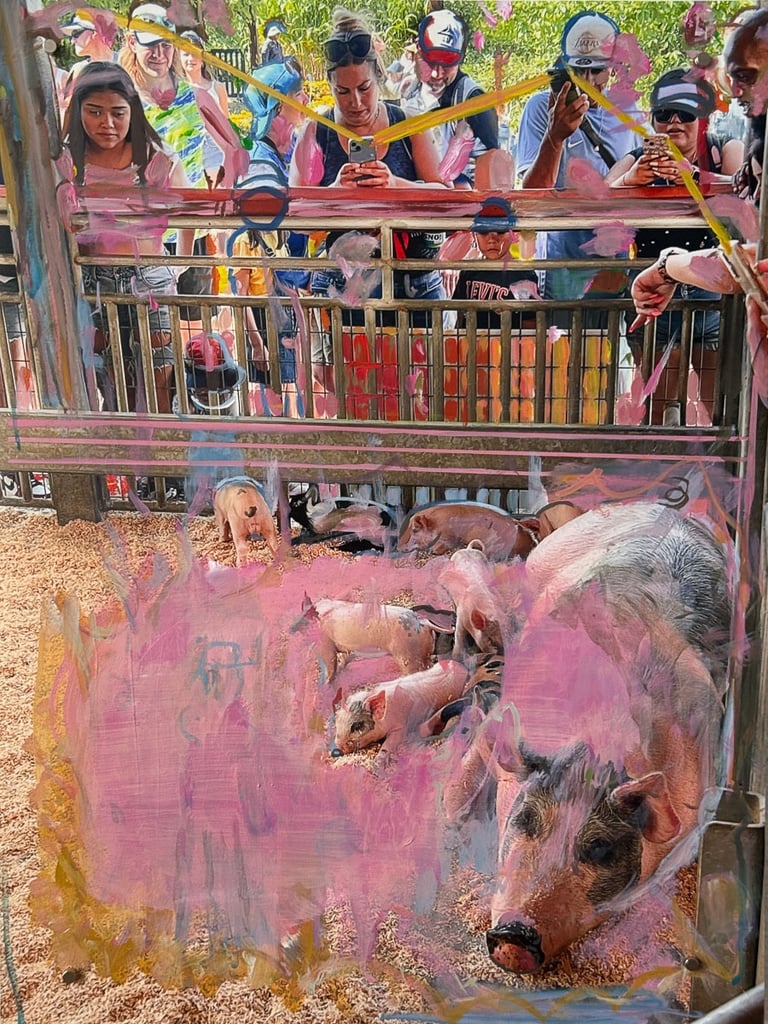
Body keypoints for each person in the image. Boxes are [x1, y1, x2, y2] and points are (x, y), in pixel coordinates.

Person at [631, 11, 768, 404]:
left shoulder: (729, 149)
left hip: (709, 307)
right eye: (664, 114)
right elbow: (747, 264)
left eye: (744, 75)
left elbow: (748, 265)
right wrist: (667, 268)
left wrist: (666, 267)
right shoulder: (757, 144)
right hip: (685, 297)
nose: (734, 91)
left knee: (716, 402)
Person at [606, 69, 744, 422]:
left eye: (686, 113)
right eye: (665, 114)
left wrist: (693, 176)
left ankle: (719, 457)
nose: (674, 123)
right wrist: (630, 180)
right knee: (657, 406)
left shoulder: (722, 149)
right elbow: (598, 202)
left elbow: (744, 192)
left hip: (713, 290)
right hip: (652, 289)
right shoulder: (637, 157)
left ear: (703, 118)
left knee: (721, 407)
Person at [289, 7, 446, 313]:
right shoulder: (315, 133)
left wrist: (396, 185)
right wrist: (334, 193)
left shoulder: (410, 126)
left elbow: (446, 201)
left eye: (364, 88)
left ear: (379, 77)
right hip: (341, 288)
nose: (356, 102)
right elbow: (293, 215)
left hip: (414, 287)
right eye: (342, 91)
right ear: (330, 86)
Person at [61, 61, 194, 417]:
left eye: (118, 113)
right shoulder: (66, 162)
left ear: (132, 111)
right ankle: (122, 453)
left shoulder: (156, 158)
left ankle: (160, 453)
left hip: (150, 279)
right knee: (110, 383)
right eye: (94, 112)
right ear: (78, 111)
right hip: (91, 281)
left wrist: (178, 267)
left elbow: (191, 211)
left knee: (161, 379)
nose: (107, 123)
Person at [517, 10, 641, 306]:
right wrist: (555, 136)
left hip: (612, 261)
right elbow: (532, 196)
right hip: (559, 264)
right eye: (578, 71)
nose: (587, 81)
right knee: (557, 335)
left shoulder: (628, 112)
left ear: (613, 68)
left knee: (606, 332)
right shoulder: (541, 108)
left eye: (597, 70)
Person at [231, 59, 309, 417]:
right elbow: (267, 228)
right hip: (274, 295)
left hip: (293, 289)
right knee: (284, 391)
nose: (305, 101)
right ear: (278, 108)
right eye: (298, 95)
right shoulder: (261, 165)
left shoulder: (289, 152)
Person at [119, 3, 244, 191]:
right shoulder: (120, 102)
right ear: (132, 42)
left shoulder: (195, 96)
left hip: (194, 206)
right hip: (146, 206)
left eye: (166, 45)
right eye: (151, 44)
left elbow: (233, 148)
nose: (159, 54)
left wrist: (220, 195)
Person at [402, 8, 500, 187]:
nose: (437, 73)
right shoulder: (409, 90)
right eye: (431, 61)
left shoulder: (474, 102)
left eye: (447, 64)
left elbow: (493, 173)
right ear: (418, 49)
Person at [179, 29, 231, 189]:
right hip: (189, 153)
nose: (190, 59)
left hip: (216, 152)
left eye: (195, 54)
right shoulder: (178, 92)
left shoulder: (217, 87)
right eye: (186, 54)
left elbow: (227, 125)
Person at [58, 12, 117, 114]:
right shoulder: (78, 70)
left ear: (95, 33)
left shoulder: (126, 62)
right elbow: (69, 112)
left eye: (76, 33)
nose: (72, 41)